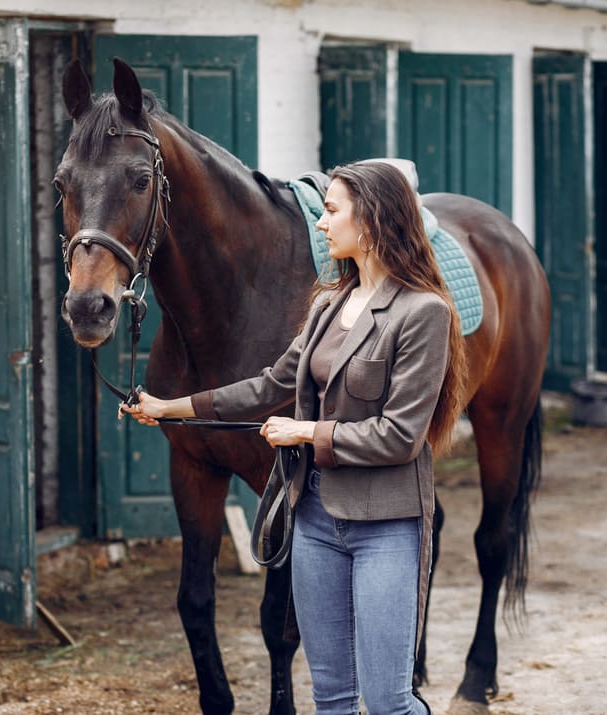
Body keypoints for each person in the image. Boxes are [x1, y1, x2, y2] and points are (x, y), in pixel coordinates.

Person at [122, 160, 467, 715]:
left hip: (386, 525)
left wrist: (305, 430)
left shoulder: (422, 313)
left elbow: (400, 437)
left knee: (387, 701)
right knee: (329, 698)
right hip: (314, 521)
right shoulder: (327, 303)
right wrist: (171, 408)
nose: (322, 224)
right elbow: (272, 383)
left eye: (332, 212)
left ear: (373, 222)